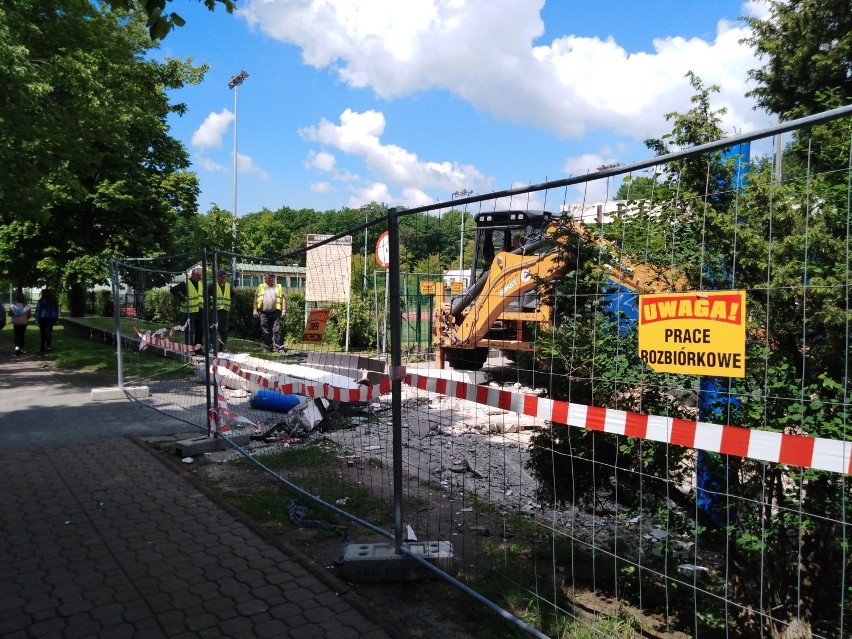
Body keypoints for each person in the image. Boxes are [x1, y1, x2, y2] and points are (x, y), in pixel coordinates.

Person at [170, 267, 205, 351]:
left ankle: (198, 348)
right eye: (199, 275)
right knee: (190, 331)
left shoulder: (200, 283)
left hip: (199, 310)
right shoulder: (185, 283)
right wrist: (181, 298)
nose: (201, 277)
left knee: (200, 330)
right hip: (189, 311)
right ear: (194, 275)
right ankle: (189, 348)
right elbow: (173, 290)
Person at [255, 272, 285, 353]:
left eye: (272, 277)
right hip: (263, 313)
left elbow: (283, 299)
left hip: (276, 312)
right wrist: (254, 310)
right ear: (265, 278)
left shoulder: (278, 287)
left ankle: (280, 348)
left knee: (277, 330)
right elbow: (255, 298)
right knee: (265, 330)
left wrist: (284, 310)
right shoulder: (261, 287)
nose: (271, 279)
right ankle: (268, 347)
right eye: (269, 278)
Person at [208, 268, 234, 351]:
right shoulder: (212, 285)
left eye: (224, 277)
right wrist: (209, 302)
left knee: (224, 329)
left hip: (225, 310)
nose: (223, 278)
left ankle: (222, 346)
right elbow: (205, 293)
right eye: (222, 276)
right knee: (213, 328)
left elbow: (233, 294)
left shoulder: (228, 286)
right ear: (218, 277)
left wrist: (231, 302)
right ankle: (211, 345)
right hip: (215, 310)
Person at [34, 288, 60, 353]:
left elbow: (38, 311)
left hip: (43, 317)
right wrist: (56, 318)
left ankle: (42, 347)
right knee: (49, 332)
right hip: (52, 317)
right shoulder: (54, 301)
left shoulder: (41, 301)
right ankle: (49, 346)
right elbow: (57, 310)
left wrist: (36, 320)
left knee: (43, 333)